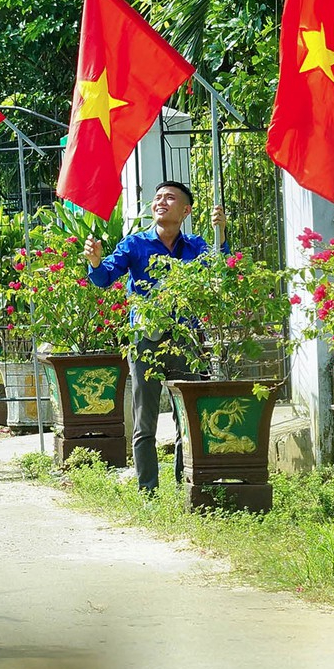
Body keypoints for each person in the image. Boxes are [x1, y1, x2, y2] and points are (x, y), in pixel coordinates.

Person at [85, 181, 228, 493]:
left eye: (170, 198)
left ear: (186, 210)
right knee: (145, 418)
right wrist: (95, 261)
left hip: (186, 337)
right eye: (158, 197)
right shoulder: (135, 244)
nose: (161, 202)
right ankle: (148, 489)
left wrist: (222, 235)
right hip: (146, 340)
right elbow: (105, 276)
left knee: (185, 414)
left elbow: (219, 271)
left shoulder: (196, 246)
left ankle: (183, 484)